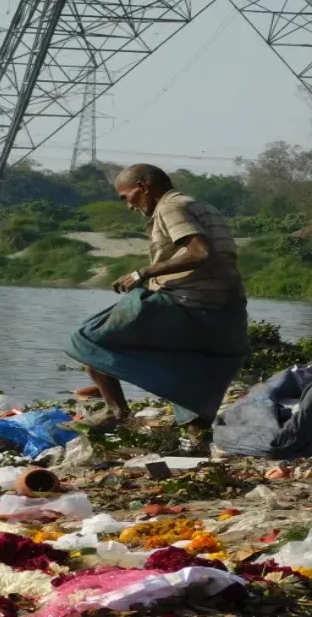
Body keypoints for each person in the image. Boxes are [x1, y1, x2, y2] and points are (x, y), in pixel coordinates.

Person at [65, 163, 249, 446]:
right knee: (191, 364)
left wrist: (144, 273)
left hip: (185, 302)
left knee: (86, 338)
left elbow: (201, 251)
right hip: (226, 310)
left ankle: (116, 411)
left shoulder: (170, 207)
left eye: (127, 197)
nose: (129, 206)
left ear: (143, 187)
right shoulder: (201, 205)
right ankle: (196, 439)